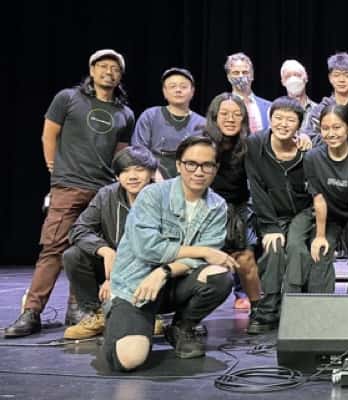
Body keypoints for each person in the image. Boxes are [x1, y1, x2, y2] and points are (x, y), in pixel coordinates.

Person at [5, 49, 134, 338]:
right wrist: (53, 168)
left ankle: (77, 308)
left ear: (120, 75)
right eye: (102, 66)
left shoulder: (124, 113)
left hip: (103, 190)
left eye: (114, 68)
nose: (108, 72)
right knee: (52, 248)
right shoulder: (68, 98)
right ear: (92, 70)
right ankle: (32, 311)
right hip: (68, 185)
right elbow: (49, 134)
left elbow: (121, 152)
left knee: (90, 250)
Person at [102, 136, 236, 371]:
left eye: (207, 165)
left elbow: (206, 259)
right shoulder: (153, 195)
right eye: (191, 164)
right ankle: (121, 319)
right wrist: (203, 251)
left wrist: (164, 271)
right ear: (178, 165)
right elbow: (148, 247)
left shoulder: (217, 205)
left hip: (173, 283)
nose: (199, 171)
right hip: (136, 285)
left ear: (215, 169)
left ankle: (181, 327)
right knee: (129, 360)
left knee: (219, 274)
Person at [62, 147, 157, 340]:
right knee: (73, 256)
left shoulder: (164, 197)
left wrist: (115, 276)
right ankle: (96, 315)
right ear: (117, 176)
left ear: (151, 173)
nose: (132, 176)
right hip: (111, 265)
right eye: (125, 170)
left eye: (139, 169)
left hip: (151, 266)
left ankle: (153, 315)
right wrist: (104, 250)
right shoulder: (106, 195)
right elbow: (78, 229)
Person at [244, 96, 315, 333]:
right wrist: (270, 226)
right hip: (270, 213)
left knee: (296, 247)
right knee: (273, 249)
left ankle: (293, 305)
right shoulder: (255, 144)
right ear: (269, 119)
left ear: (299, 124)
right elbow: (257, 187)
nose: (284, 124)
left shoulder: (308, 149)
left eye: (290, 120)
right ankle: (268, 310)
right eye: (278, 118)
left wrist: (310, 144)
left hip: (303, 213)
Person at [304, 105, 348, 293]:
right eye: (325, 128)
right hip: (329, 215)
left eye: (337, 127)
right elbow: (318, 200)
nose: (331, 133)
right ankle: (321, 307)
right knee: (320, 251)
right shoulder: (312, 158)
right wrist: (320, 236)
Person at [203, 93, 262, 312]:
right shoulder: (202, 142)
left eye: (237, 114)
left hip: (237, 209)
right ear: (214, 117)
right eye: (225, 114)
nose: (231, 119)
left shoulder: (250, 144)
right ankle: (188, 318)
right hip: (204, 208)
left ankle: (258, 310)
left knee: (246, 258)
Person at [132, 68, 205, 180]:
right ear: (164, 92)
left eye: (183, 87)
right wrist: (155, 176)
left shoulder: (202, 123)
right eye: (172, 86)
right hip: (152, 181)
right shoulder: (150, 115)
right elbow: (139, 151)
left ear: (192, 92)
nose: (178, 90)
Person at [300, 52, 348, 149]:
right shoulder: (318, 112)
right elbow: (311, 143)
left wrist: (328, 135)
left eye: (347, 75)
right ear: (330, 78)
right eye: (336, 75)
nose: (341, 80)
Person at [225, 52, 271, 133]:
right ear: (228, 77)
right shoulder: (222, 106)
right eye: (236, 73)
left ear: (252, 75)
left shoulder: (269, 107)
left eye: (245, 72)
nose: (241, 76)